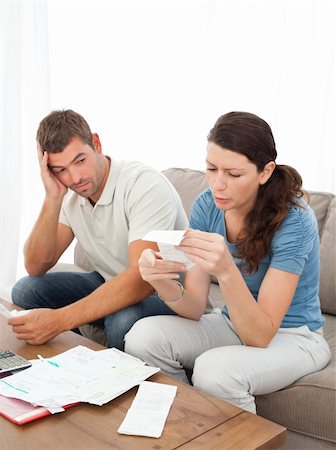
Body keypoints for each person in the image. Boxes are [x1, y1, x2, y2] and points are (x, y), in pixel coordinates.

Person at [124, 111, 331, 413]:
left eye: (233, 175)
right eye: (211, 169)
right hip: (231, 321)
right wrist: (159, 280)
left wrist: (225, 270)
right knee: (142, 337)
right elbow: (194, 307)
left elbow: (260, 336)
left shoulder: (295, 220)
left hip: (296, 337)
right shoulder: (207, 205)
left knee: (214, 370)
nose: (218, 184)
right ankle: (185, 426)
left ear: (265, 172)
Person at [9, 109, 187, 350]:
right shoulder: (70, 191)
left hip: (172, 297)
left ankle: (111, 380)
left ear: (96, 143)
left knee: (120, 320)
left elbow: (143, 280)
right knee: (26, 289)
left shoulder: (143, 184)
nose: (74, 178)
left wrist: (59, 320)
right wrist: (52, 197)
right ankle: (65, 365)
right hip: (110, 282)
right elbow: (35, 265)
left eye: (80, 160)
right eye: (60, 169)